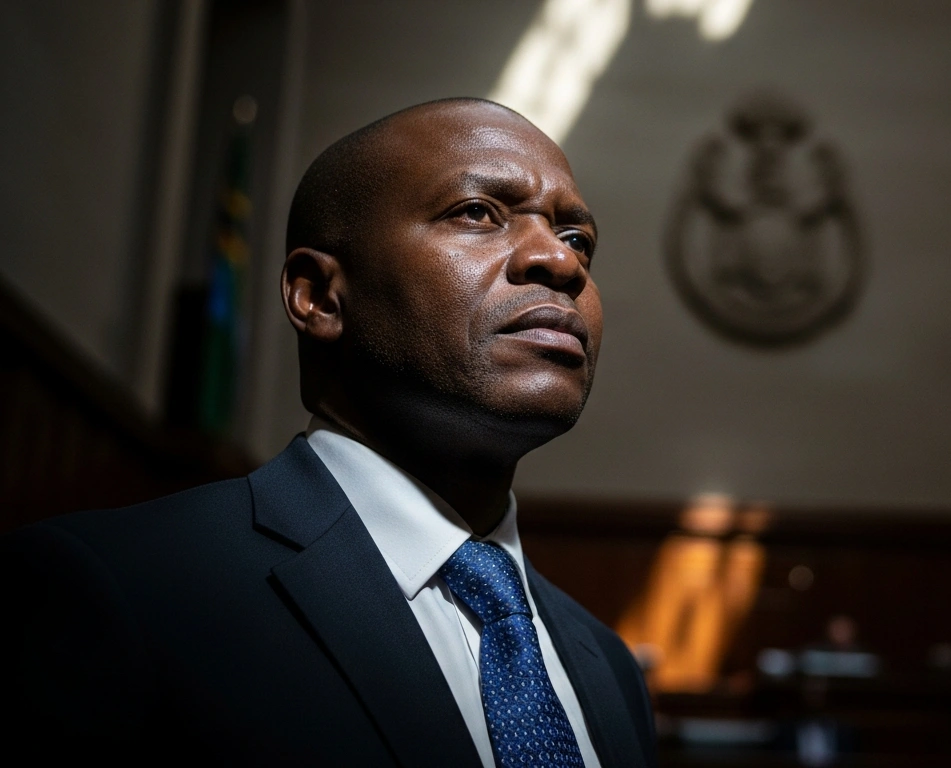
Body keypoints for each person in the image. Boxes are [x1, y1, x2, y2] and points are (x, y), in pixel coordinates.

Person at [0, 98, 656, 766]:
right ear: (318, 295)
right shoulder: (119, 590)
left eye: (578, 240)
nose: (561, 261)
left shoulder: (607, 667)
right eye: (478, 213)